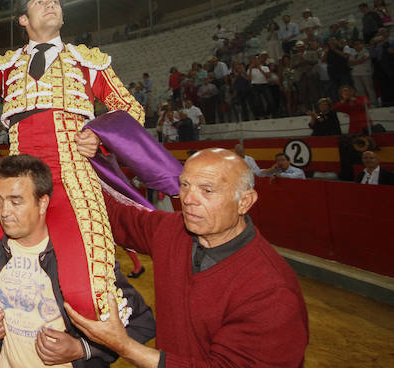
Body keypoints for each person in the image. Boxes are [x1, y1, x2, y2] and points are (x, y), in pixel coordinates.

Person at [0, 0, 159, 320]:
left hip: (73, 181)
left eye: (54, 0)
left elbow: (132, 110)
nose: (50, 4)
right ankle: (9, 304)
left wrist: (100, 136)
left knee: (89, 299)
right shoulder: (7, 64)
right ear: (23, 20)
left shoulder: (87, 61)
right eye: (39, 1)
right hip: (16, 185)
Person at [64, 148, 309, 368]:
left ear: (244, 202)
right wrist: (77, 160)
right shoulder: (171, 230)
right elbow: (114, 215)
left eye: (207, 190)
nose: (188, 200)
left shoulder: (272, 290)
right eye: (185, 185)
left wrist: (125, 346)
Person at [0, 154, 155, 368]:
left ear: (42, 203)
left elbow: (141, 323)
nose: (4, 212)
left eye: (16, 201)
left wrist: (82, 349)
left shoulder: (82, 259)